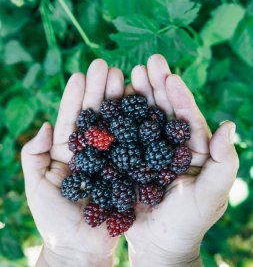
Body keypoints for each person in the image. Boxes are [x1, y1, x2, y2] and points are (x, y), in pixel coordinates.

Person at [21, 54, 239, 267]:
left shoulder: (133, 153)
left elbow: (129, 158)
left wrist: (66, 256)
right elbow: (118, 162)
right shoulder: (108, 160)